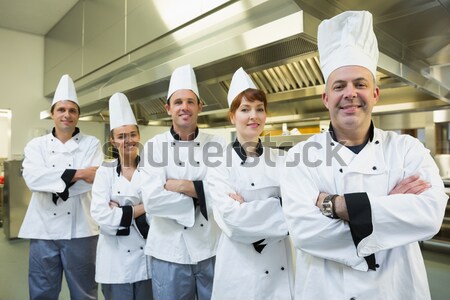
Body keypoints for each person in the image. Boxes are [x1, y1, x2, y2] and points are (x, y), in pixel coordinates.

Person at [281, 11, 448, 300]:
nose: (350, 93)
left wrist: (335, 205)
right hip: (326, 291)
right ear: (325, 98)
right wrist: (392, 211)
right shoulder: (300, 157)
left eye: (360, 84)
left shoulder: (407, 149)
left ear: (375, 94)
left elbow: (430, 217)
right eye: (339, 86)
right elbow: (306, 232)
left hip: (396, 290)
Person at [207, 67, 294, 299]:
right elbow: (233, 221)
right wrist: (281, 204)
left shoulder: (283, 160)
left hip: (281, 274)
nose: (253, 116)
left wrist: (248, 209)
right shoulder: (218, 163)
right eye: (245, 109)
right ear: (233, 116)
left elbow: (300, 211)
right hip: (240, 274)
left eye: (259, 109)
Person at [140, 64, 225, 300]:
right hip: (169, 253)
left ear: (200, 106)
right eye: (178, 102)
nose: (184, 107)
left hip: (211, 248)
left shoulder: (217, 144)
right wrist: (201, 191)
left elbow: (222, 193)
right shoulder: (154, 147)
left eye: (190, 101)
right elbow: (153, 200)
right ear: (168, 108)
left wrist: (178, 185)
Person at [19, 74, 103, 300]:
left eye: (72, 110)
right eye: (61, 110)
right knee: (42, 292)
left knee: (84, 291)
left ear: (78, 116)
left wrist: (53, 181)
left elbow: (91, 182)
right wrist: (79, 174)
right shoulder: (36, 145)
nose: (67, 115)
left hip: (82, 230)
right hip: (42, 230)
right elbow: (33, 181)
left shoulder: (92, 143)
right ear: (52, 114)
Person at [90, 92, 152, 300]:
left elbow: (161, 211)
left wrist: (122, 212)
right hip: (114, 264)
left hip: (148, 261)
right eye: (121, 136)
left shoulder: (152, 169)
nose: (128, 140)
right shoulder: (104, 172)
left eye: (132, 134)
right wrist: (144, 207)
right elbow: (102, 218)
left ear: (138, 136)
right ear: (113, 141)